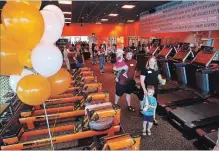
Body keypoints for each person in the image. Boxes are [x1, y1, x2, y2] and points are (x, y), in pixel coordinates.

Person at [139, 56, 166, 123]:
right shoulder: (145, 69)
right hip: (146, 87)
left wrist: (162, 81)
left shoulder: (157, 69)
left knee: (153, 102)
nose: (151, 63)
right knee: (143, 100)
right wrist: (144, 90)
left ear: (155, 62)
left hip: (153, 89)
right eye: (150, 61)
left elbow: (159, 78)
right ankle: (142, 110)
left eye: (153, 61)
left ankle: (153, 117)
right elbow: (142, 81)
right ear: (148, 61)